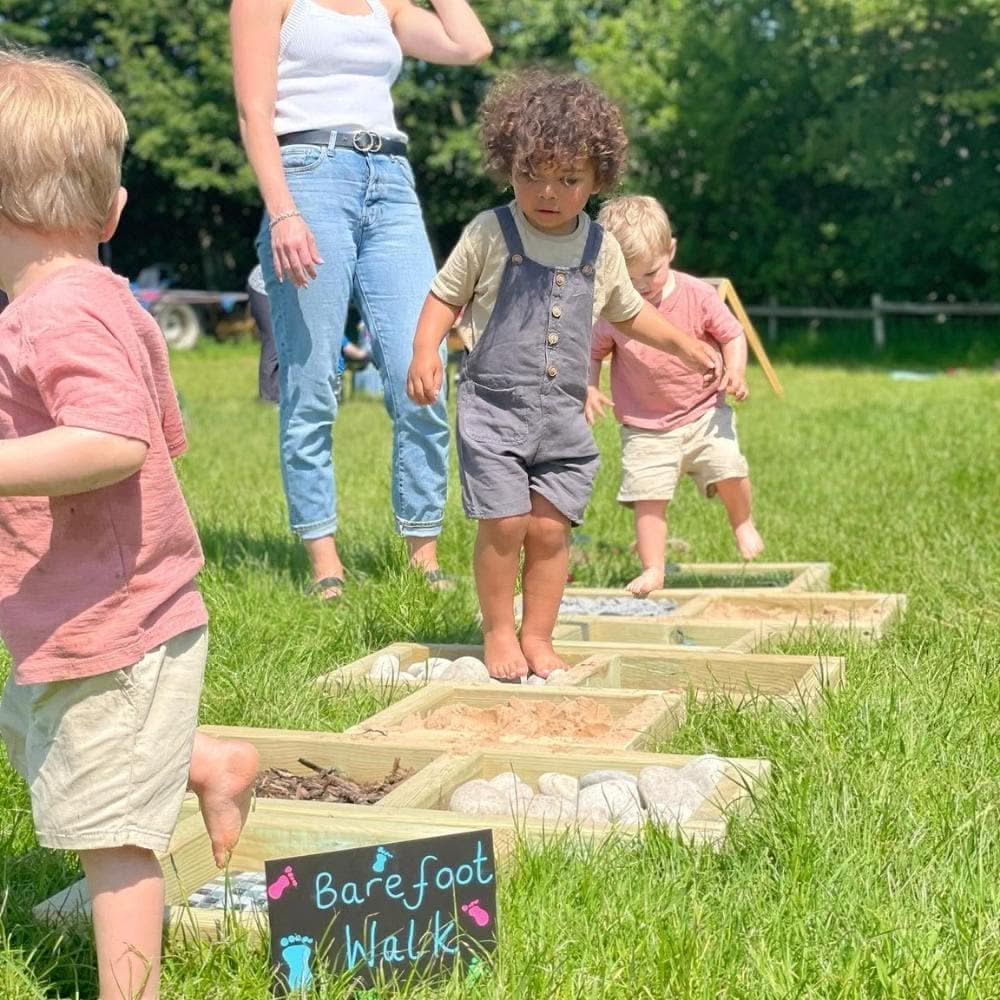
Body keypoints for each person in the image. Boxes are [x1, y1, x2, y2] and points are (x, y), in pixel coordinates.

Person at [0, 50, 259, 1000]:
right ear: (111, 214)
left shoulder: (55, 310)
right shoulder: (84, 299)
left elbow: (113, 439)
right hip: (76, 617)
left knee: (113, 841)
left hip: (115, 626)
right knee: (45, 742)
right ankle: (200, 759)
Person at [406, 71, 719, 680]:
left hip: (561, 418)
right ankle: (498, 631)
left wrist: (684, 344)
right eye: (531, 174)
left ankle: (539, 637)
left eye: (569, 179)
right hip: (494, 407)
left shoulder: (600, 247)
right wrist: (426, 351)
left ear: (598, 178)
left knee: (549, 530)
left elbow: (628, 312)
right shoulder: (490, 233)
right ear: (508, 165)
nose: (547, 191)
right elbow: (445, 296)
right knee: (505, 522)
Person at [230, 0, 492, 600]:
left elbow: (471, 44)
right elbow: (253, 111)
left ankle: (423, 558)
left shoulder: (387, 4)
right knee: (314, 380)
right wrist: (283, 212)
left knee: (421, 373)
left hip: (392, 184)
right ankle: (326, 564)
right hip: (307, 174)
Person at [588, 195, 764, 596]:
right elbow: (593, 352)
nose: (642, 287)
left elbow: (732, 334)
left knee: (730, 467)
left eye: (650, 273)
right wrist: (589, 387)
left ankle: (742, 522)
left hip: (703, 411)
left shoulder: (698, 294)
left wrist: (735, 371)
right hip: (645, 426)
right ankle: (654, 568)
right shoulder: (613, 309)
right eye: (629, 280)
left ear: (670, 250)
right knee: (647, 497)